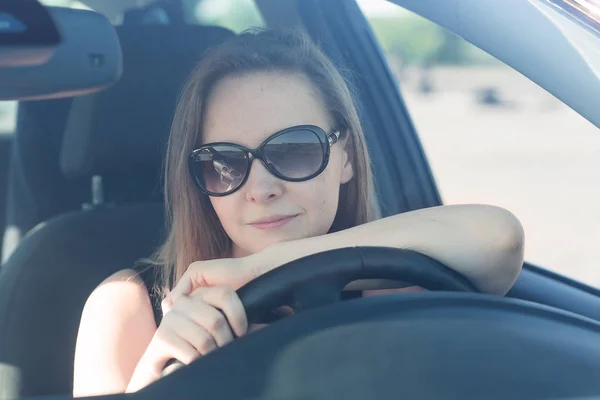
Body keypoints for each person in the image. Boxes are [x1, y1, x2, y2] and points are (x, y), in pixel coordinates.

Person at [72, 29, 525, 397]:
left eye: (294, 150)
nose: (262, 189)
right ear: (198, 178)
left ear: (345, 156)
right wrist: (153, 384)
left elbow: (499, 238)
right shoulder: (132, 310)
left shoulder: (396, 287)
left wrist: (257, 268)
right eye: (224, 162)